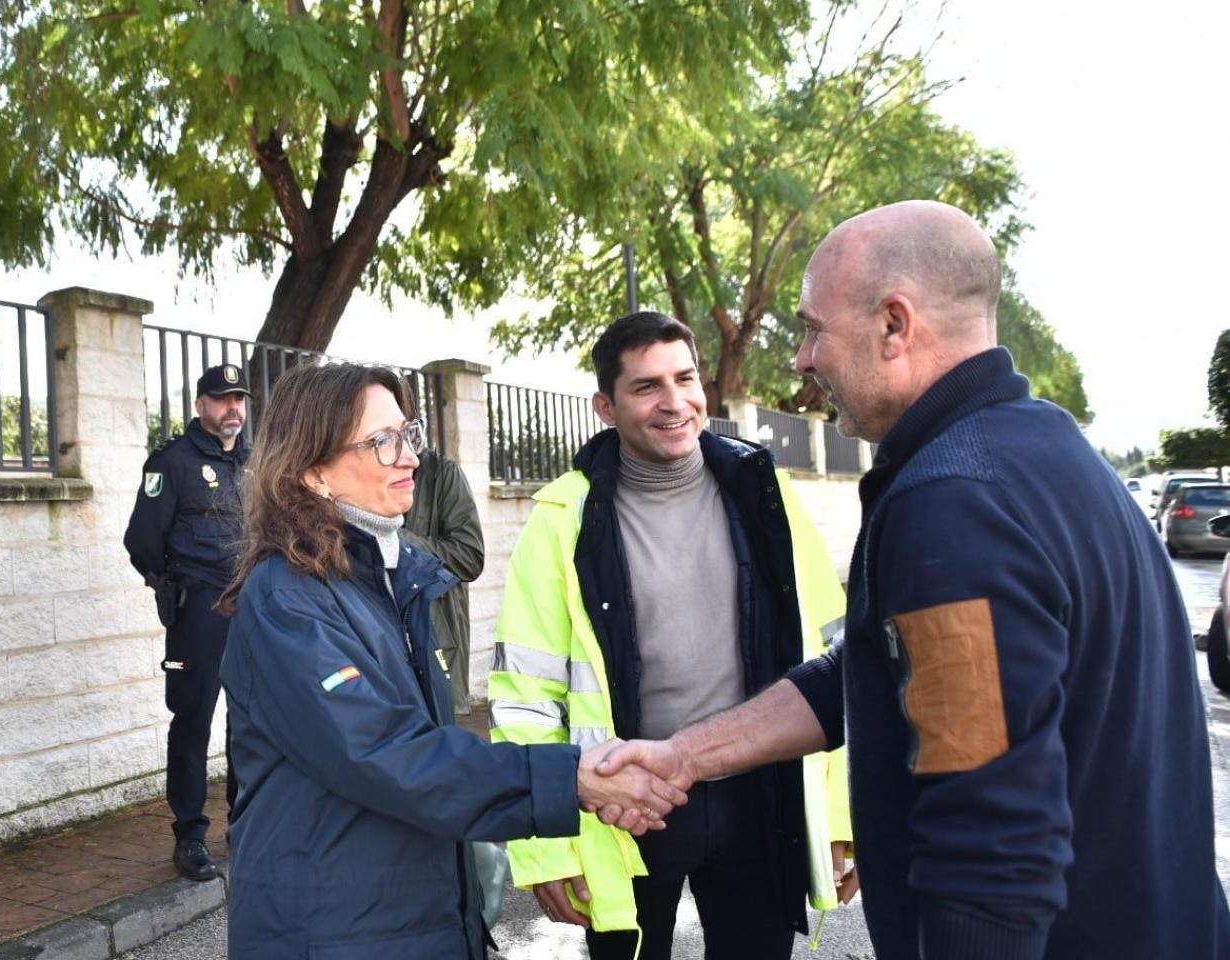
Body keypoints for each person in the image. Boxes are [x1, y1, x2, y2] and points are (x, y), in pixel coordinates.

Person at [596, 200, 1230, 959]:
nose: (801, 359)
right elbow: (866, 668)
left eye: (812, 328)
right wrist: (686, 756)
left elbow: (989, 844)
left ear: (894, 325)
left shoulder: (955, 503)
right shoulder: (1042, 447)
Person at [216, 362, 687, 960]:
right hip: (332, 930)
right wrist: (570, 777)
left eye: (407, 435)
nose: (409, 457)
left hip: (403, 919)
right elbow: (385, 752)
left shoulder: (388, 580)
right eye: (381, 442)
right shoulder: (287, 597)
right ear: (312, 470)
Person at [489, 312, 853, 959]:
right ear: (606, 405)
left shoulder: (765, 495)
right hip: (624, 805)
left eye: (685, 378)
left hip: (758, 794)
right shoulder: (561, 520)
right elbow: (526, 694)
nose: (674, 402)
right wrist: (544, 846)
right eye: (647, 386)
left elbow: (834, 662)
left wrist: (840, 812)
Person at [122, 362, 252, 882]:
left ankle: (244, 821)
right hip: (199, 609)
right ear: (201, 405)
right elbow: (142, 539)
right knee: (193, 719)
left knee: (248, 720)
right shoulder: (171, 462)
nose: (232, 409)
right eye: (222, 400)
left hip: (250, 609)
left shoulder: (255, 461)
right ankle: (191, 834)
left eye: (239, 399)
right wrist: (171, 581)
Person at [402, 447, 485, 717]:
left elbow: (469, 557)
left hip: (435, 638)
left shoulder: (441, 475)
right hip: (382, 645)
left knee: (438, 733)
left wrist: (399, 541)